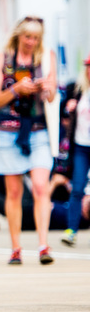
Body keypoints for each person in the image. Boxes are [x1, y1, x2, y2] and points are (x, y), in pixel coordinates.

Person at [0, 15, 57, 265]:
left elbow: (51, 98)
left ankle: (43, 245)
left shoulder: (46, 58)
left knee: (41, 186)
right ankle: (16, 247)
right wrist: (17, 89)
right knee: (14, 191)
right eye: (28, 36)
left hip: (38, 130)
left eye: (36, 38)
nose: (32, 42)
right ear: (18, 35)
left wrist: (46, 88)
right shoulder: (3, 60)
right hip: (8, 132)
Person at [61, 52, 90, 247]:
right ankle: (71, 230)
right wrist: (67, 108)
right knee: (77, 189)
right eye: (88, 66)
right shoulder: (77, 89)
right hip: (81, 147)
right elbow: (62, 113)